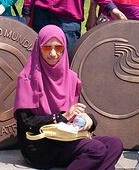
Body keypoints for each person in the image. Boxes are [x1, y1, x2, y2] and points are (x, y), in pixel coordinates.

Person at [14, 25, 123, 170]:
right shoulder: (27, 78)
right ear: (38, 48)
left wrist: (88, 119)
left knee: (115, 144)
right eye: (47, 48)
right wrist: (62, 116)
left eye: (58, 48)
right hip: (41, 144)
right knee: (96, 150)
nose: (53, 53)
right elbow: (26, 122)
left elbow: (75, 112)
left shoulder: (71, 78)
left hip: (68, 137)